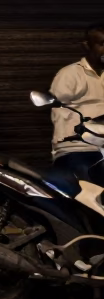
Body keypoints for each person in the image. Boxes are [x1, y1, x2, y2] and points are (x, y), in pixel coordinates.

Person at [49, 23, 104, 184]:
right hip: (79, 148)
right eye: (102, 44)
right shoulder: (69, 74)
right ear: (87, 46)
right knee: (90, 182)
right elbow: (57, 110)